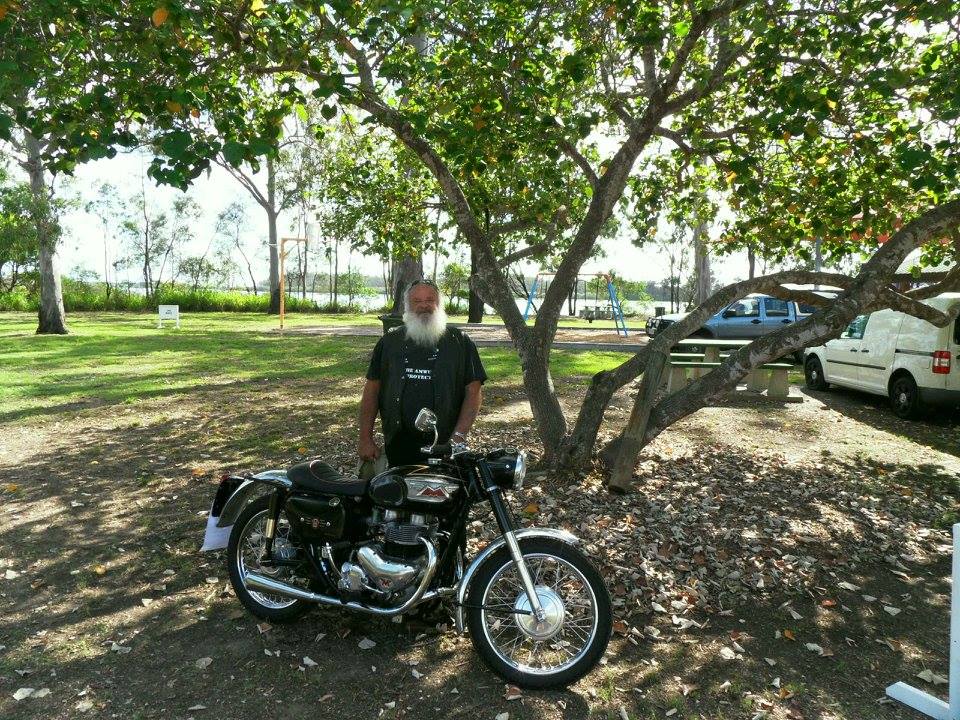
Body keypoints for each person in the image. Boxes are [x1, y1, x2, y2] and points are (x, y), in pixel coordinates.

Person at [359, 279, 487, 467]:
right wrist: (365, 439)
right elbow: (372, 390)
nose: (424, 306)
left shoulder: (460, 342)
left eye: (430, 300)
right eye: (417, 301)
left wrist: (459, 437)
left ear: (439, 304)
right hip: (399, 443)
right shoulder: (390, 342)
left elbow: (473, 391)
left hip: (446, 445)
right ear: (408, 306)